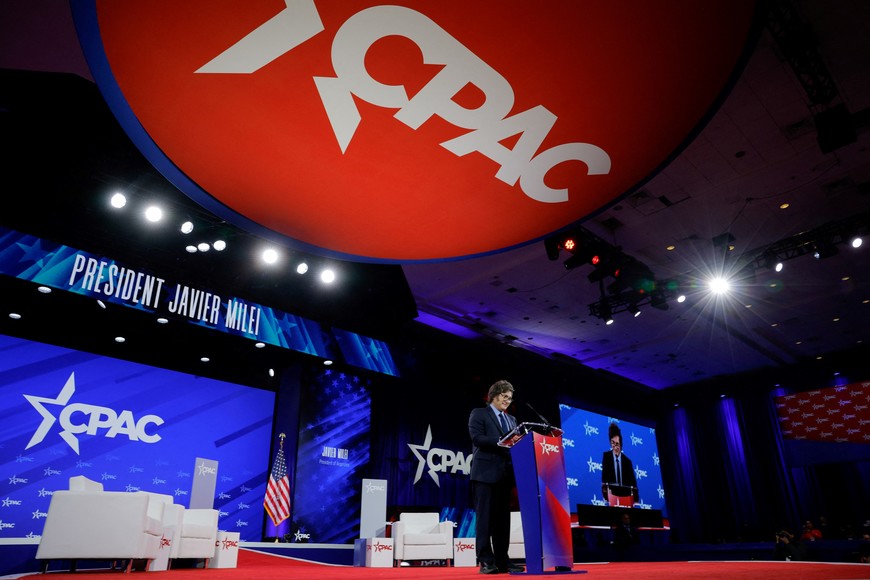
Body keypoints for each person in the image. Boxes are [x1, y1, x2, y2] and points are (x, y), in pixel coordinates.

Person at [469, 380, 524, 574]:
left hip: (505, 475)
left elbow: (514, 447)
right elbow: (477, 439)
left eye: (510, 398)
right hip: (484, 475)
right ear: (494, 395)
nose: (508, 401)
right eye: (504, 397)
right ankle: (485, 560)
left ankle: (502, 560)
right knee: (485, 518)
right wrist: (503, 441)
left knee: (503, 520)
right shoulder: (479, 413)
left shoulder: (512, 420)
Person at [600, 423, 639, 504]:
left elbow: (634, 486)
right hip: (611, 499)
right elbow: (604, 481)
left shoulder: (627, 462)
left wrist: (635, 500)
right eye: (613, 443)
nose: (615, 447)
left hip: (626, 500)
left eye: (617, 444)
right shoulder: (606, 457)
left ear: (621, 444)